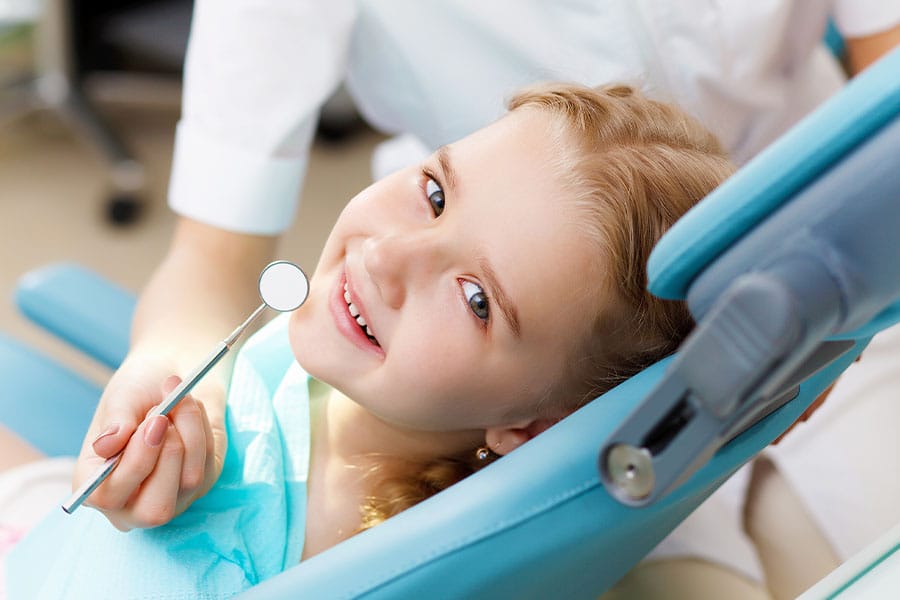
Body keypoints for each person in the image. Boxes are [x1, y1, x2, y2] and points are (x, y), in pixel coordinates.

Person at [4, 83, 738, 597]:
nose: (387, 257)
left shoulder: (281, 564)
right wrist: (166, 366)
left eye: (477, 300)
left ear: (529, 425)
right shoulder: (366, 390)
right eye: (435, 194)